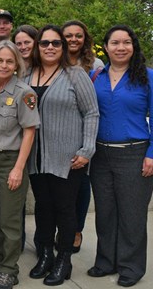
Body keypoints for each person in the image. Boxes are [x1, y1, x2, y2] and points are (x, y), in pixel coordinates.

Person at [24, 24, 99, 286]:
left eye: (56, 43)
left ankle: (63, 259)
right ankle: (45, 254)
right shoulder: (27, 75)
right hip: (36, 158)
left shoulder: (75, 74)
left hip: (69, 158)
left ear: (64, 47)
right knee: (43, 208)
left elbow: (91, 113)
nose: (50, 47)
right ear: (37, 47)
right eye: (45, 43)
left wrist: (87, 149)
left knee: (65, 209)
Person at [88, 25, 153, 288]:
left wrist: (152, 153)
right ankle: (106, 261)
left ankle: (131, 266)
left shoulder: (146, 77)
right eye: (115, 42)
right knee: (105, 212)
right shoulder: (96, 76)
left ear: (133, 46)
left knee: (132, 215)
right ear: (106, 47)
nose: (121, 47)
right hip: (101, 154)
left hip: (134, 153)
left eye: (127, 42)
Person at [0, 41, 40, 289]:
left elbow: (29, 133)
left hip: (9, 162)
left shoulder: (24, 93)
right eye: (0, 60)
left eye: (9, 61)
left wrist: (18, 168)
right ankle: (0, 260)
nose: (4, 65)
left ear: (17, 65)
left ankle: (9, 270)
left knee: (10, 220)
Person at [62, 20, 104, 254]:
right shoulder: (56, 60)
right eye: (68, 35)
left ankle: (76, 229)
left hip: (85, 131)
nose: (73, 40)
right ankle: (63, 228)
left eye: (78, 36)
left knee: (81, 184)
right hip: (61, 131)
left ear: (85, 38)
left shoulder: (95, 64)